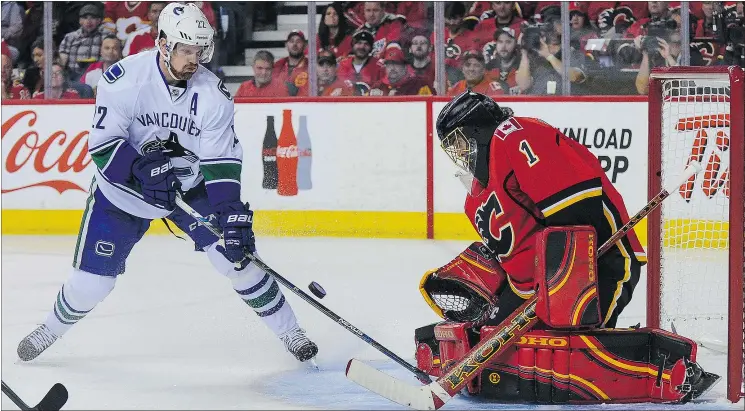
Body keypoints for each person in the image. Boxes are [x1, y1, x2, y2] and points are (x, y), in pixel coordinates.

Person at [17, 3, 318, 365]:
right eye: (186, 50)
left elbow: (220, 162)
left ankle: (292, 332)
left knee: (237, 257)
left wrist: (228, 210)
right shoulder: (125, 78)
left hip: (187, 189)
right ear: (163, 43)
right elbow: (101, 147)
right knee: (91, 285)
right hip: (123, 194)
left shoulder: (213, 94)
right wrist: (140, 170)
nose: (195, 59)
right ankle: (50, 328)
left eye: (200, 50)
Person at [413, 90, 719, 403]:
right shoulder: (475, 199)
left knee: (568, 350)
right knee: (500, 344)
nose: (458, 153)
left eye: (459, 142)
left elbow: (578, 213)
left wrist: (556, 286)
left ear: (478, 130)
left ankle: (667, 369)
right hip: (545, 283)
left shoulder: (514, 136)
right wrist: (498, 304)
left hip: (600, 262)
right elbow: (521, 265)